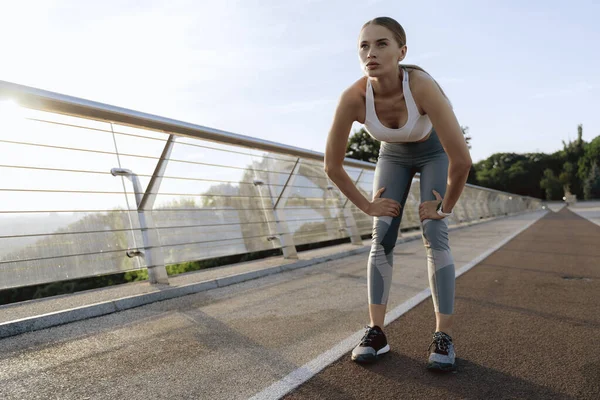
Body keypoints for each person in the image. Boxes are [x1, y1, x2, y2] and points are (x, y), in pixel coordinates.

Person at [323, 16, 472, 371]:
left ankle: (444, 336)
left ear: (402, 51)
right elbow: (332, 165)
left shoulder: (420, 85)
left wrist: (445, 208)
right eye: (364, 45)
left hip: (433, 151)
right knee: (383, 233)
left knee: (434, 231)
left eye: (381, 44)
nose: (370, 52)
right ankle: (376, 331)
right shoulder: (353, 98)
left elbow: (461, 160)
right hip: (392, 155)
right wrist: (367, 205)